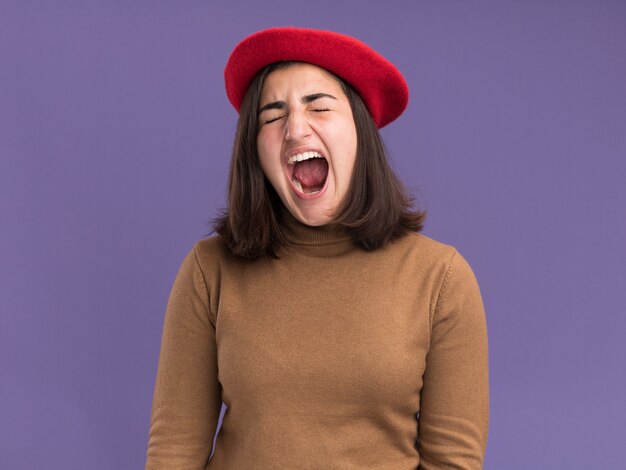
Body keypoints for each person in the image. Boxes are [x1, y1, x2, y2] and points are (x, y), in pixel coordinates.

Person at [145, 27, 489, 469]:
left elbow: (453, 462)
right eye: (272, 116)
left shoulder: (440, 277)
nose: (294, 129)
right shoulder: (208, 270)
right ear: (255, 150)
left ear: (360, 132)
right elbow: (173, 452)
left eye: (319, 107)